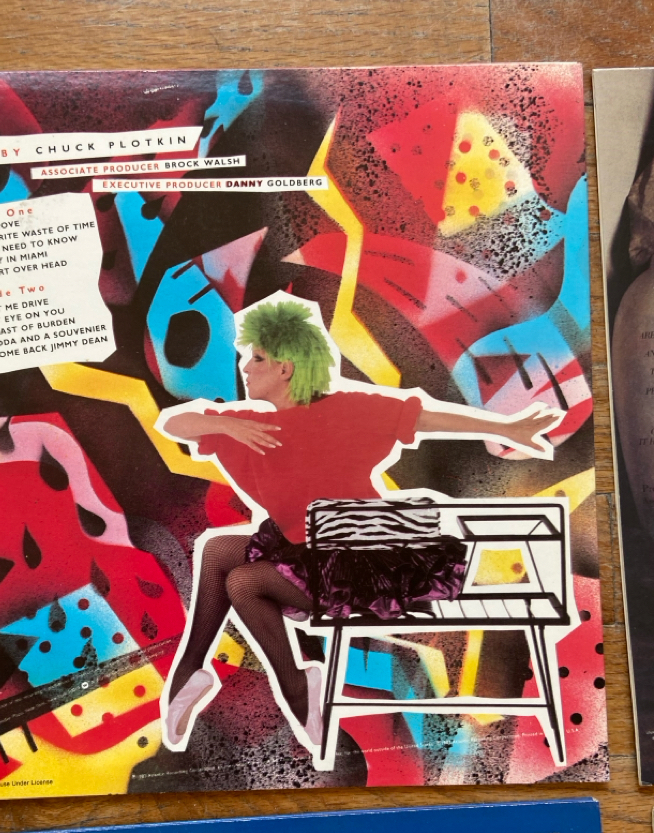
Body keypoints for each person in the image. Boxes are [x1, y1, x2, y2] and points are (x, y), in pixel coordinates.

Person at [160, 296, 562, 756]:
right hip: (302, 551)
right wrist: (229, 428)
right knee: (217, 552)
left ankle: (298, 690)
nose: (245, 368)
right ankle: (189, 675)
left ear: (286, 368)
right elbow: (176, 424)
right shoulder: (251, 425)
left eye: (258, 358)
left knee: (245, 582)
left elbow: (425, 418)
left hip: (360, 559)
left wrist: (506, 428)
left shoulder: (349, 409)